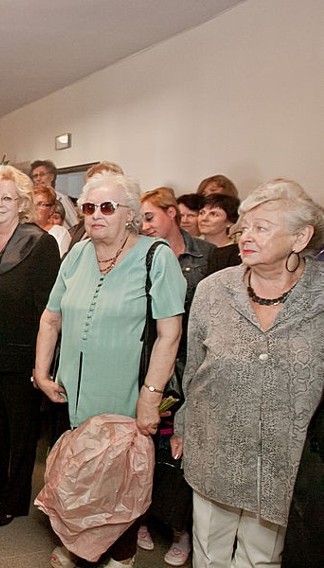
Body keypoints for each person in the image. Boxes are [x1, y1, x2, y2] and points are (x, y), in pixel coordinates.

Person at [33, 172, 186, 568]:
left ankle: (122, 551)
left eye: (107, 207)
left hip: (124, 394)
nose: (95, 215)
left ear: (130, 214)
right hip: (72, 392)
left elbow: (170, 334)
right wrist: (42, 373)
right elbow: (51, 319)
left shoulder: (156, 256)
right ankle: (78, 543)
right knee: (75, 474)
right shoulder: (79, 253)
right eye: (88, 207)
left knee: (119, 480)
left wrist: (150, 397)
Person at [171, 178, 324, 568]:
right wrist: (184, 425)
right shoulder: (213, 290)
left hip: (283, 457)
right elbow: (193, 367)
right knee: (209, 550)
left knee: (262, 558)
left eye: (262, 228)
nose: (246, 237)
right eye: (245, 227)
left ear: (300, 236)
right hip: (215, 445)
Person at [0, 165, 60, 528]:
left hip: (21, 353)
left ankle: (15, 499)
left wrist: (42, 363)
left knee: (21, 431)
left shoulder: (40, 243)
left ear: (22, 203)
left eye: (7, 198)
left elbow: (48, 309)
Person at [137, 186, 216, 566]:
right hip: (150, 362)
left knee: (179, 453)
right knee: (147, 446)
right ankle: (142, 517)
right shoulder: (141, 254)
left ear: (172, 213)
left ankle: (181, 530)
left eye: (150, 217)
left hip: (191, 368)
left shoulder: (206, 255)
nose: (145, 225)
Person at [199, 193, 242, 272]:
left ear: (230, 222)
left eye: (214, 214)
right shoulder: (192, 247)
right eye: (202, 213)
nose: (204, 218)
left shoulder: (237, 252)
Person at [33, 185, 71, 257]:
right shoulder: (20, 230)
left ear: (51, 209)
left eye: (41, 204)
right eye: (31, 203)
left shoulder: (60, 233)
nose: (34, 208)